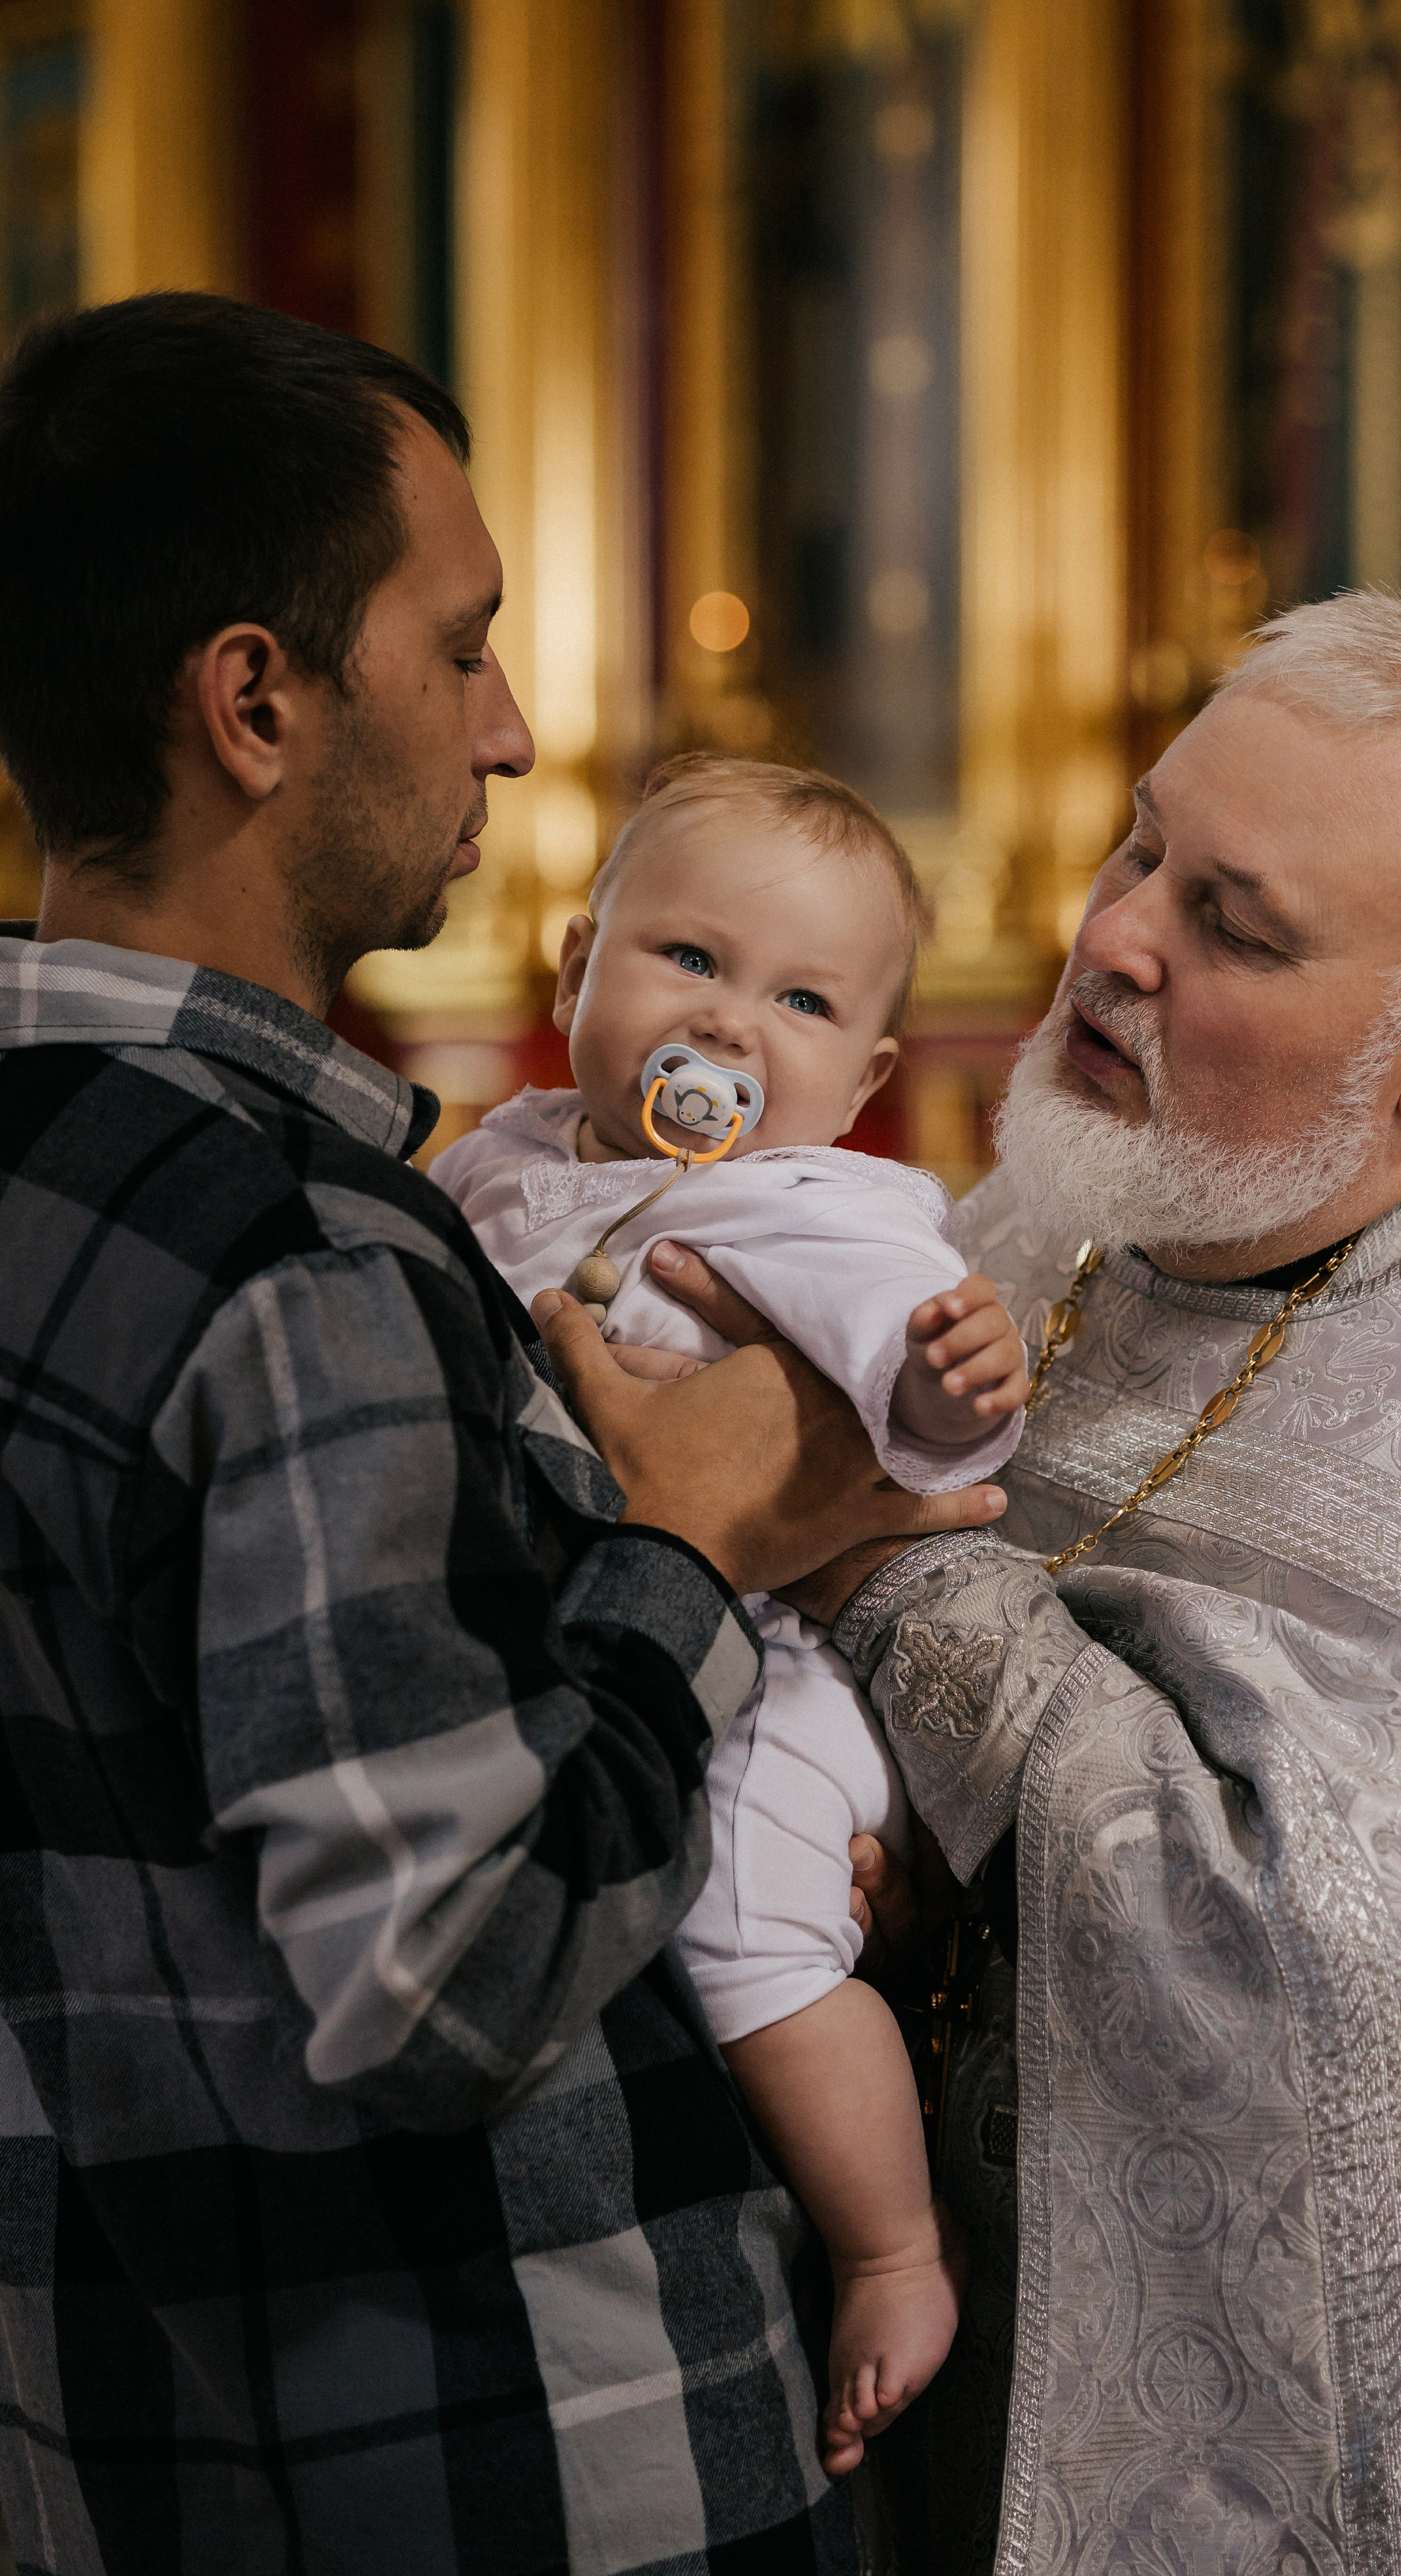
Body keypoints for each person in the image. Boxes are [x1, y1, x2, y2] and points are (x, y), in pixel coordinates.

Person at [0, 291, 1005, 2576]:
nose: (520, 730)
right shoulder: (296, 1253)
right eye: (460, 650)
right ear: (256, 702)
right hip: (505, 2463)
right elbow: (444, 1975)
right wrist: (694, 1562)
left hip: (123, 2433)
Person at [635, 582, 1401, 2575]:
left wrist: (868, 1563)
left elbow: (1316, 1983)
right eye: (1144, 841)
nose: (1112, 935)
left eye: (1234, 923)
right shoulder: (1079, 1223)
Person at [435, 751, 1029, 2473]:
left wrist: (953, 1375)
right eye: (686, 961)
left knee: (746, 1929)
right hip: (596, 1622)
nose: (734, 1027)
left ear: (864, 1078)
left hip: (769, 1662)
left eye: (802, 999)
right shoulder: (498, 1166)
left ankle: (888, 2246)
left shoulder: (817, 1202)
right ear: (574, 976)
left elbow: (912, 1421)